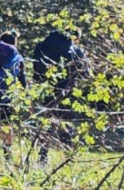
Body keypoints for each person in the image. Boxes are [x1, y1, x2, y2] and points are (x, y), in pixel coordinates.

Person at [30, 27, 88, 164]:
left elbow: (36, 70)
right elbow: (85, 74)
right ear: (74, 37)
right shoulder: (76, 51)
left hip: (46, 90)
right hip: (67, 92)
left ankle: (43, 156)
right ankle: (68, 157)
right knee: (66, 124)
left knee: (46, 123)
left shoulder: (43, 46)